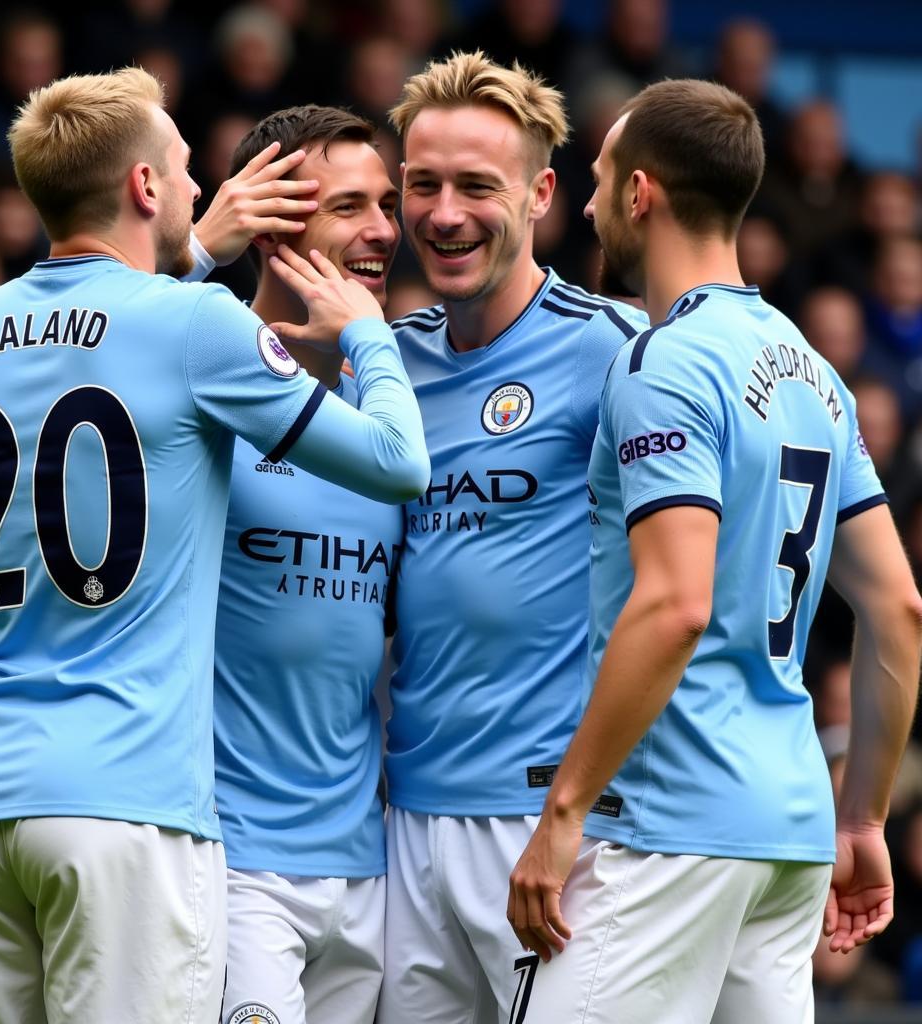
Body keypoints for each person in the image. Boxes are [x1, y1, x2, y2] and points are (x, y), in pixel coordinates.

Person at [0, 67, 428, 1024]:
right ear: (144, 187)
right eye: (187, 171)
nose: (202, 195)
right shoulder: (194, 322)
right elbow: (394, 458)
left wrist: (20, 578)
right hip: (124, 802)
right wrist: (369, 340)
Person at [508, 78, 922, 1023]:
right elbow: (898, 610)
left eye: (601, 175)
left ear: (641, 194)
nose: (587, 199)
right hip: (788, 838)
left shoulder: (664, 363)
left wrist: (562, 812)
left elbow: (676, 604)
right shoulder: (815, 371)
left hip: (669, 827)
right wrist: (861, 818)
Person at [376, 51, 647, 1024]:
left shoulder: (615, 346)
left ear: (539, 193)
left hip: (549, 821)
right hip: (403, 821)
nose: (443, 212)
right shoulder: (383, 361)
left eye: (475, 186)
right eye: (422, 183)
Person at [211, 105, 401, 1024]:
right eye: (352, 207)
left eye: (386, 204)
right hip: (231, 857)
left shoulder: (394, 396)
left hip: (369, 863)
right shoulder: (194, 385)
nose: (384, 231)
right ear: (278, 222)